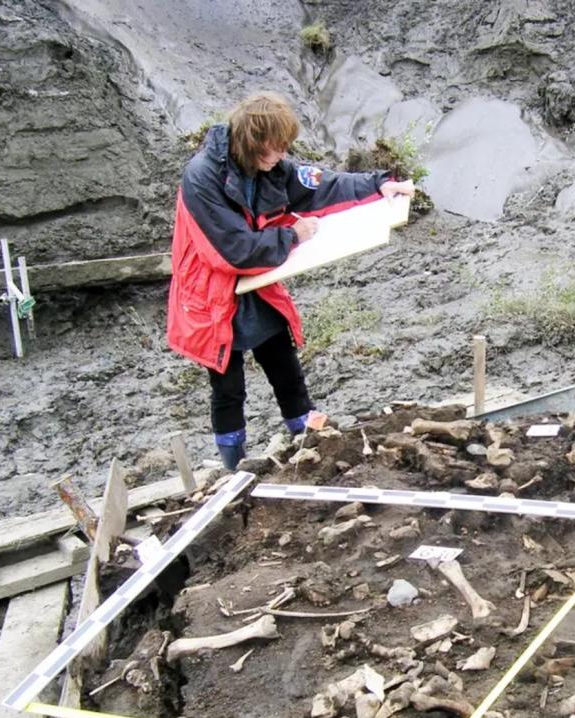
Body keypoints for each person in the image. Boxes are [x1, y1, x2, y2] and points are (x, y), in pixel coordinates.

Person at [167, 91, 414, 469]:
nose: (282, 156)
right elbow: (235, 250)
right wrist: (293, 236)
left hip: (259, 284)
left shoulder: (271, 166)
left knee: (285, 367)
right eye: (276, 148)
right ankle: (236, 468)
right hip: (213, 295)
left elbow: (320, 185)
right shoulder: (201, 178)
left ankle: (309, 446)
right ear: (253, 143)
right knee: (228, 390)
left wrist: (378, 185)